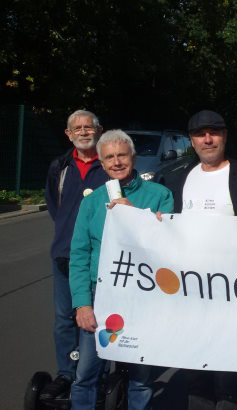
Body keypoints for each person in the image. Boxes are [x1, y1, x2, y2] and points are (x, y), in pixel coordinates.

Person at [162, 109, 237, 410]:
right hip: (190, 294)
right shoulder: (180, 179)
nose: (208, 139)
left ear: (225, 136)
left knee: (228, 381)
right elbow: (167, 229)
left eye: (214, 132)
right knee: (195, 376)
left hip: (232, 295)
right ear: (191, 140)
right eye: (200, 134)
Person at [69, 130, 173, 409]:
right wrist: (82, 305)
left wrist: (136, 218)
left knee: (140, 376)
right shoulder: (91, 202)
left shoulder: (160, 195)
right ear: (101, 164)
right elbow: (79, 255)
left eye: (122, 155)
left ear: (134, 158)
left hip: (143, 296)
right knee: (86, 374)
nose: (116, 162)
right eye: (109, 157)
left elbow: (168, 252)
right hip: (99, 296)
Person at [41, 110, 109, 403]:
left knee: (96, 319)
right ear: (68, 134)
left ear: (99, 130)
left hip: (100, 260)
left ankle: (96, 372)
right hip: (64, 256)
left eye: (89, 127)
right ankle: (66, 373)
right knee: (64, 320)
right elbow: (55, 208)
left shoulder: (109, 165)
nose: (83, 132)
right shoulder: (60, 166)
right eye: (77, 128)